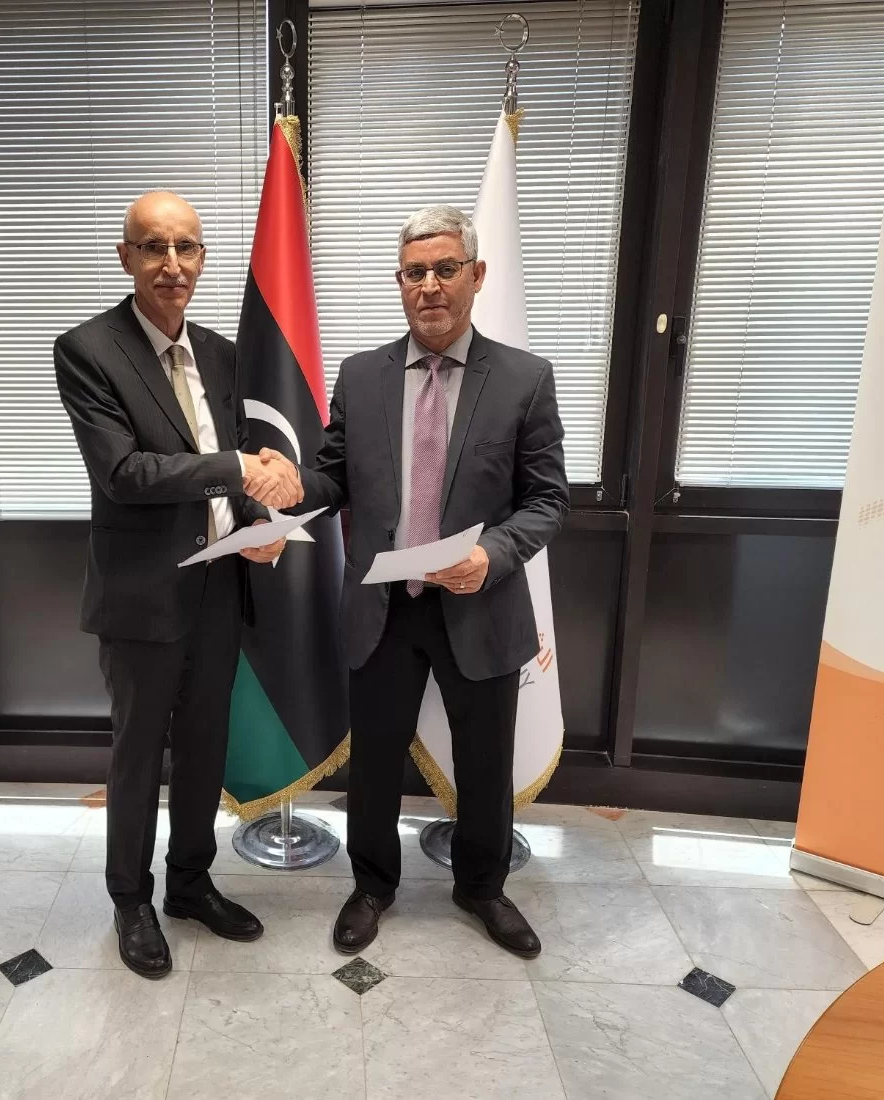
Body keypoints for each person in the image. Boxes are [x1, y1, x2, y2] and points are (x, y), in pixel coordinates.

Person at [295, 204, 569, 959]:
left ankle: (482, 887)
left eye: (445, 269)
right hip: (382, 607)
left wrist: (493, 555)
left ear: (476, 275)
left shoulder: (524, 379)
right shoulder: (361, 376)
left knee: (485, 764)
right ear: (399, 283)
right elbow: (332, 476)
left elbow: (548, 500)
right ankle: (371, 886)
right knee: (374, 763)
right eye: (414, 272)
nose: (429, 286)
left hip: (478, 603)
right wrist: (289, 488)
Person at [54, 191, 303, 978]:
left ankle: (190, 884)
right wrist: (237, 468)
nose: (172, 264)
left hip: (219, 588)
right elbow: (125, 473)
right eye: (153, 247)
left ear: (202, 258)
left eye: (186, 247)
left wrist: (260, 527)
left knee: (203, 748)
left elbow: (228, 473)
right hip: (140, 598)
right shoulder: (87, 349)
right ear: (124, 256)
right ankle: (130, 900)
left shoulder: (222, 354)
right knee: (138, 756)